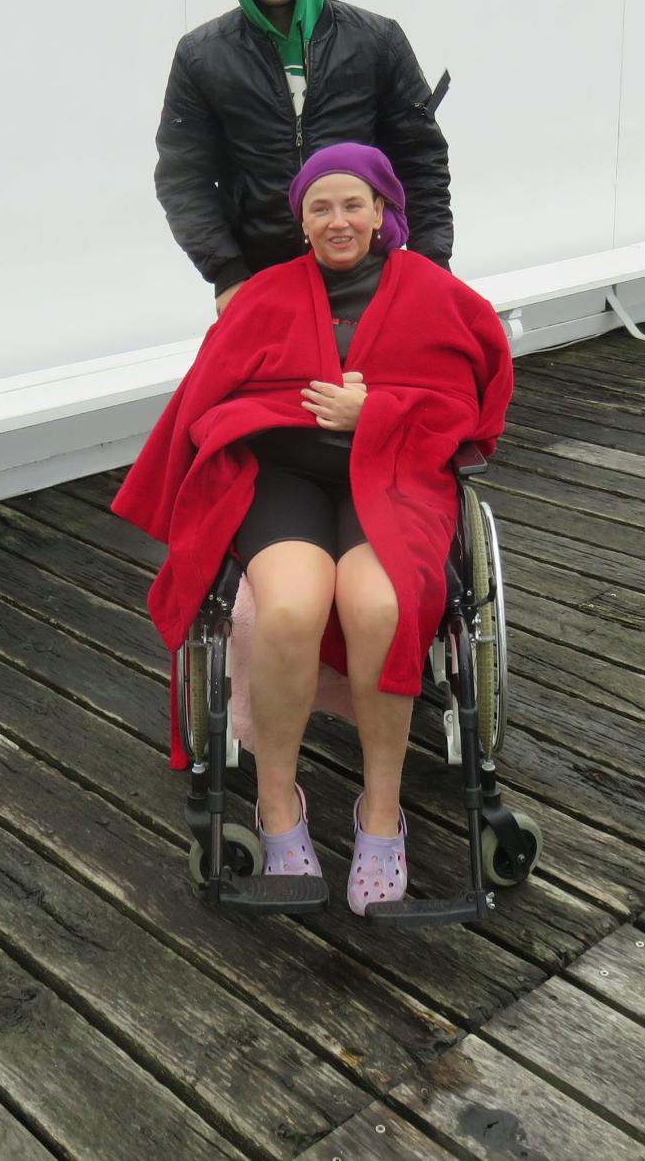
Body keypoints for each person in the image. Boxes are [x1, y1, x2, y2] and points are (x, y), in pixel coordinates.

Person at [114, 143, 511, 915]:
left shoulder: (436, 295)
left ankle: (382, 813)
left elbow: (471, 406)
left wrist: (378, 411)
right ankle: (278, 809)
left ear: (382, 211)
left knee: (379, 606)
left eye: (353, 204)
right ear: (300, 220)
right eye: (320, 207)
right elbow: (207, 397)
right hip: (284, 478)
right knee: (292, 608)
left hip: (392, 475)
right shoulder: (265, 295)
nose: (338, 220)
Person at [154, 0, 455, 315]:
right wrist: (227, 273)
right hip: (263, 280)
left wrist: (432, 262)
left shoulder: (375, 40)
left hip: (368, 274)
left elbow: (422, 159)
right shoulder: (202, 56)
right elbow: (182, 179)